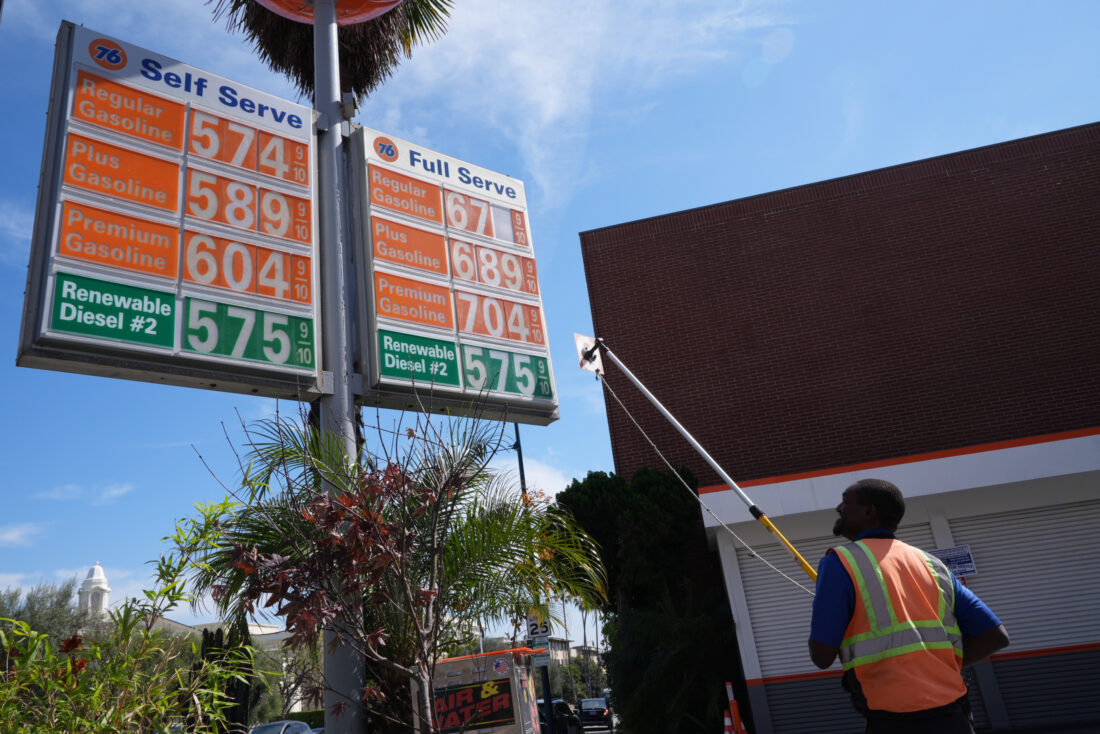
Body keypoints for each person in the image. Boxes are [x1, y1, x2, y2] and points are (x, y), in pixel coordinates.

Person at [808, 478, 1009, 734]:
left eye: (846, 501)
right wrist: (939, 668)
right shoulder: (931, 563)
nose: (839, 508)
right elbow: (995, 636)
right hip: (954, 716)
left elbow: (822, 656)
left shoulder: (839, 562)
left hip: (893, 720)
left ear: (869, 512)